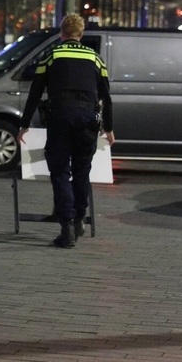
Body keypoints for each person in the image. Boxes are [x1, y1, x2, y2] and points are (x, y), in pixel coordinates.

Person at [17, 14, 114, 249]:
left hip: (60, 118)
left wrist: (25, 124)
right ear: (81, 35)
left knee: (60, 171)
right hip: (88, 120)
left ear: (62, 33)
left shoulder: (51, 57)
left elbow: (35, 92)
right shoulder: (96, 59)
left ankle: (66, 226)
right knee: (82, 171)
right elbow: (106, 97)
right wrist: (109, 129)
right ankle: (80, 217)